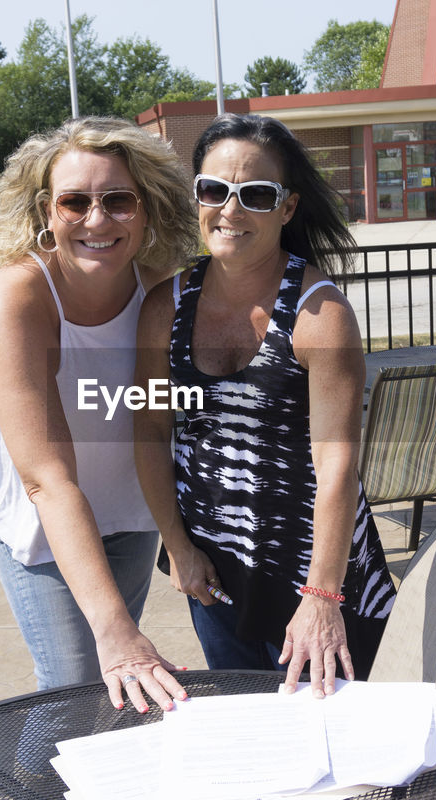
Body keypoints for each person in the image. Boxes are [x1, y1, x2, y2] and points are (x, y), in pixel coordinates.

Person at [0, 117, 197, 713]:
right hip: (41, 508)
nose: (97, 220)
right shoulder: (16, 297)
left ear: (148, 210)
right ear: (46, 211)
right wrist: (116, 630)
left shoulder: (160, 293)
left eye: (119, 200)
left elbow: (152, 416)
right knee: (74, 682)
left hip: (128, 500)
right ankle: (34, 798)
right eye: (75, 202)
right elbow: (46, 477)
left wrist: (178, 536)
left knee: (112, 687)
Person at [135, 113, 397, 698]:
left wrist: (322, 599)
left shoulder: (319, 316)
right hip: (214, 570)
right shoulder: (164, 308)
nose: (230, 210)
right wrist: (176, 546)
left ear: (286, 207)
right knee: (247, 730)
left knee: (331, 745)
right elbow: (150, 430)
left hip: (313, 570)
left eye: (255, 194)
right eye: (213, 190)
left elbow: (336, 468)